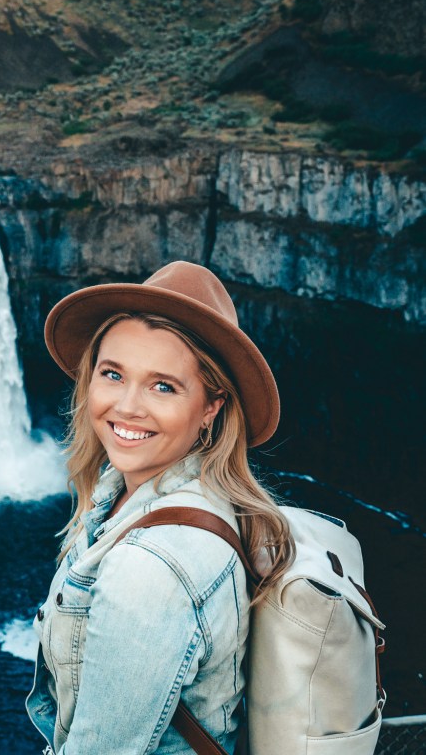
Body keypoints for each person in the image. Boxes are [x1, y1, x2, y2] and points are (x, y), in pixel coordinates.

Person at [26, 261, 294, 754]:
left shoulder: (151, 567)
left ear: (211, 406)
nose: (127, 407)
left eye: (163, 386)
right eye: (113, 374)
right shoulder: (161, 493)